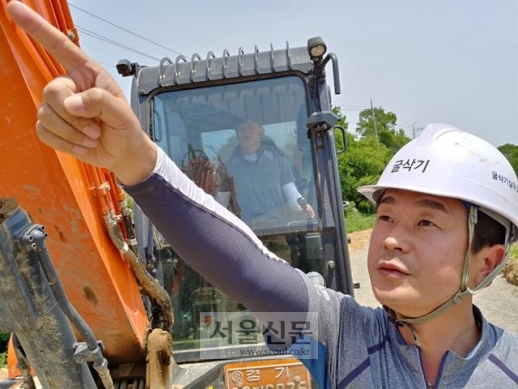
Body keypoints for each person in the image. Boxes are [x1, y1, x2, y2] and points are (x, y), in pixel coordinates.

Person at [7, 3, 518, 388]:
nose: (390, 240)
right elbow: (248, 268)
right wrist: (135, 161)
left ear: (487, 261)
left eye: (426, 222)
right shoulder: (337, 338)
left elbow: (294, 197)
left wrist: (298, 207)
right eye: (385, 216)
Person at [216, 120, 315, 228]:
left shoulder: (279, 162)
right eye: (242, 129)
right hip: (242, 231)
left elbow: (292, 196)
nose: (247, 133)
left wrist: (304, 208)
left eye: (251, 128)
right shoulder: (226, 168)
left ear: (260, 132)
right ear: (237, 134)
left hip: (276, 230)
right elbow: (222, 204)